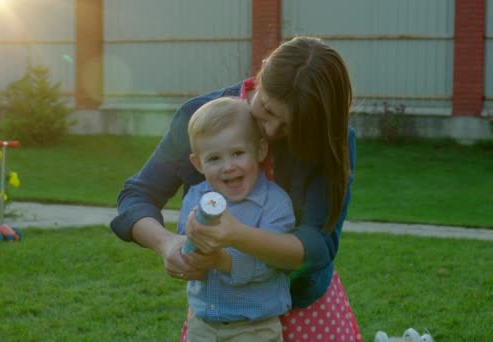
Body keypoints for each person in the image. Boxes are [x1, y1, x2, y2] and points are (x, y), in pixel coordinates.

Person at [110, 36, 361, 341]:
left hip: (305, 310)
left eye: (289, 127)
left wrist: (235, 235)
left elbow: (317, 247)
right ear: (263, 70)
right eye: (266, 109)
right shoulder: (201, 120)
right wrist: (166, 243)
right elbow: (136, 196)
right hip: (221, 317)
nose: (270, 131)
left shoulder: (330, 139)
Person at [179, 96, 295, 341]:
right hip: (203, 324)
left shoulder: (274, 204)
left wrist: (221, 260)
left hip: (255, 327)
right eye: (214, 158)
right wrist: (189, 258)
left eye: (237, 153)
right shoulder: (195, 198)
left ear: (260, 150)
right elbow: (185, 245)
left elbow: (272, 262)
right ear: (198, 163)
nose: (228, 167)